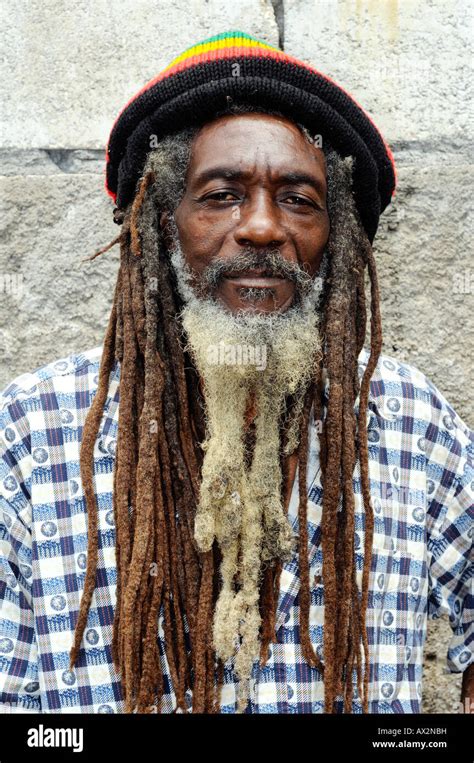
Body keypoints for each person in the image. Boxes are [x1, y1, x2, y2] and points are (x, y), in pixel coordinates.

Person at [0, 30, 472, 715]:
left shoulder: (409, 419)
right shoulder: (31, 436)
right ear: (161, 224)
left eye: (298, 199)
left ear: (334, 238)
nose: (259, 228)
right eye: (221, 195)